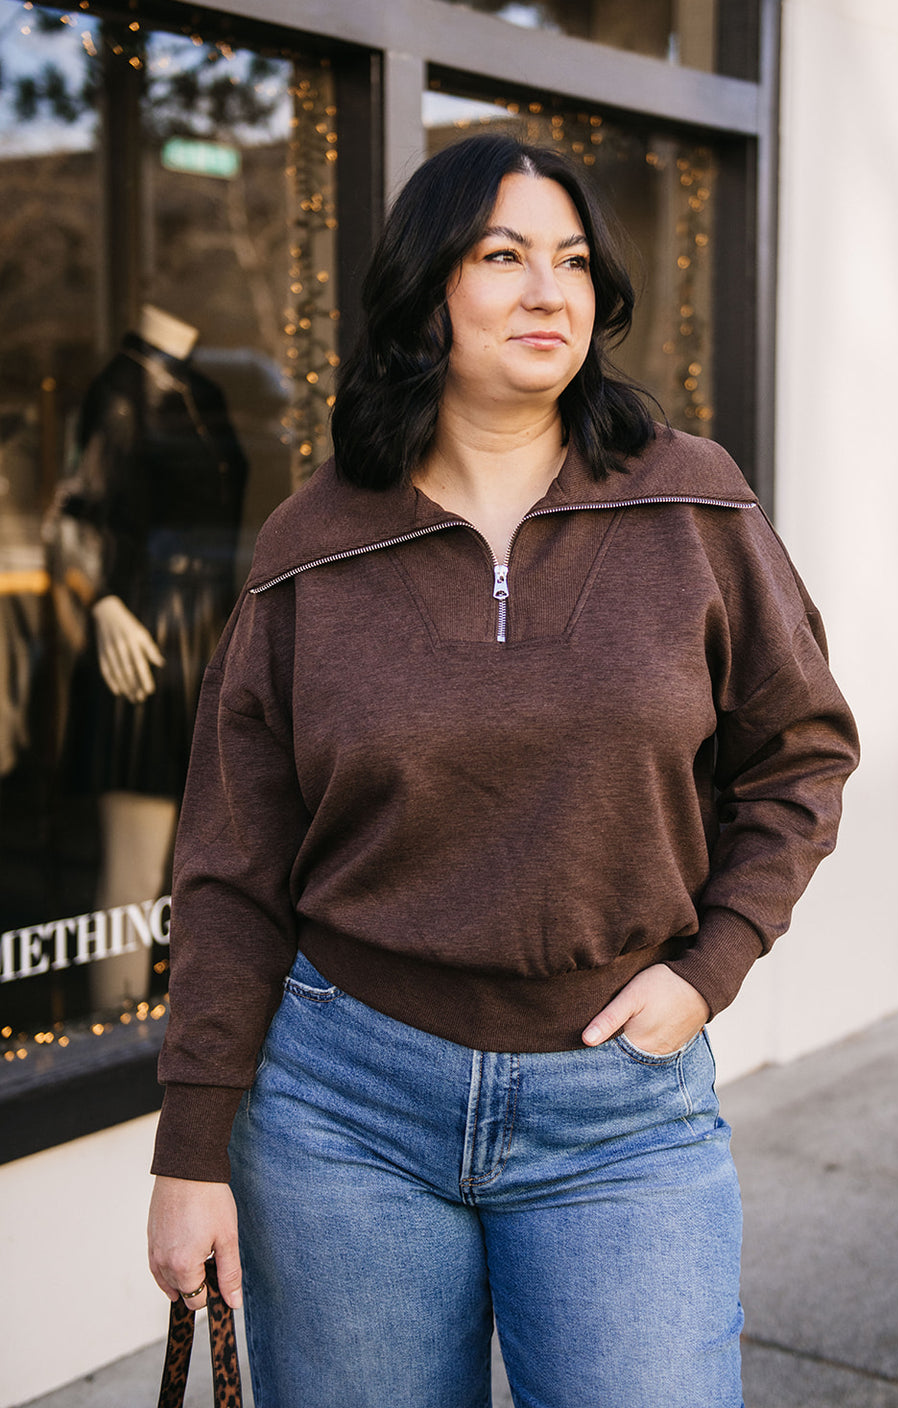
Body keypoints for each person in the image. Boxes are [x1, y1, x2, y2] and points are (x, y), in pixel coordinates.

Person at [148, 134, 859, 1408]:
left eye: (574, 262)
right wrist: (190, 1147)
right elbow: (230, 861)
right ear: (428, 293)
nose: (550, 293)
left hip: (619, 1112)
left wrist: (711, 968)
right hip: (340, 1109)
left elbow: (801, 752)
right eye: (503, 256)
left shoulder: (690, 503)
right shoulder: (311, 544)